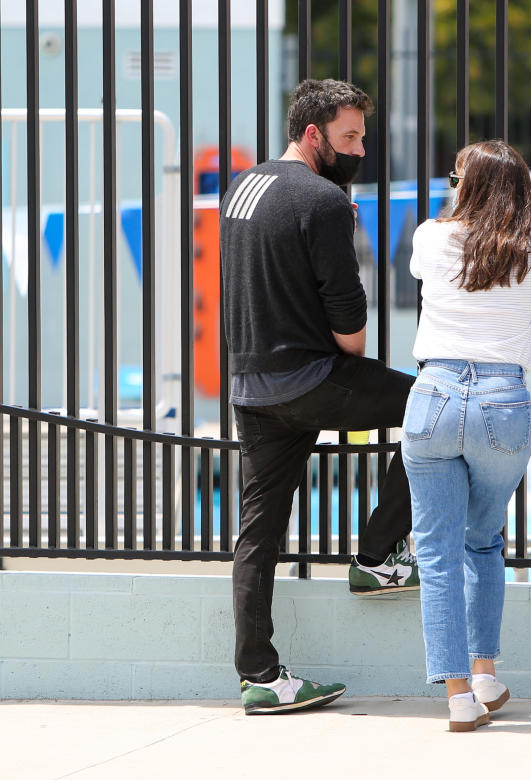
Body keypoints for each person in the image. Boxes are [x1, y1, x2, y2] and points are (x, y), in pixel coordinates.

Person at [220, 79, 419, 715]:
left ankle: (259, 674)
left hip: (251, 387)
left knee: (258, 533)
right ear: (314, 136)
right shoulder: (323, 200)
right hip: (311, 379)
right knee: (436, 407)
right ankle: (381, 555)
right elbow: (349, 325)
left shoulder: (243, 187)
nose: (360, 149)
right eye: (349, 137)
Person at [402, 140, 531, 731]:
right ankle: (485, 673)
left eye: (457, 174)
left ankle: (459, 695)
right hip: (501, 400)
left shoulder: (430, 237)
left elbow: (437, 250)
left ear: (469, 183)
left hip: (433, 395)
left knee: (436, 555)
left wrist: (461, 194)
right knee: (483, 540)